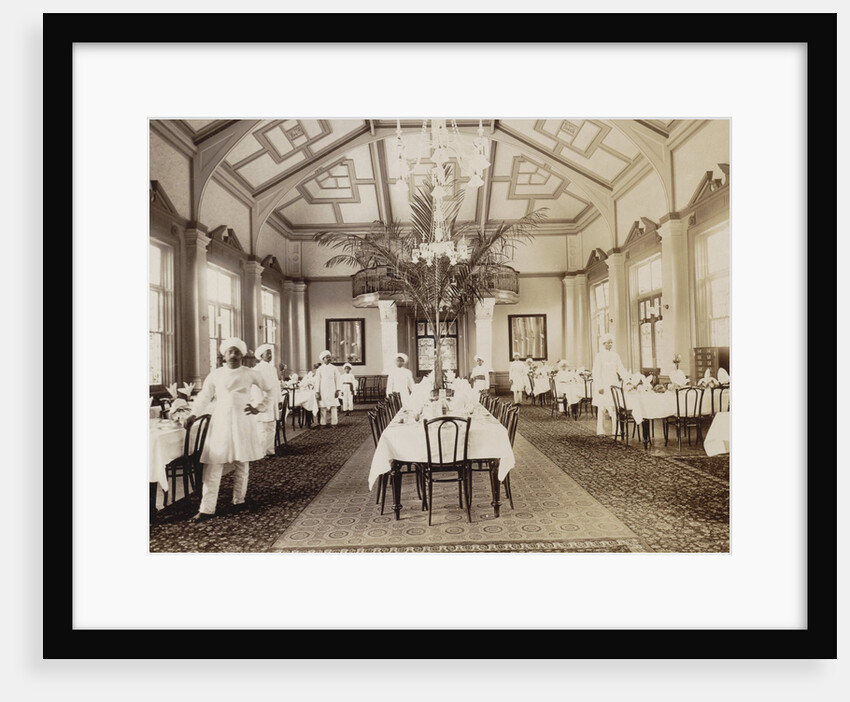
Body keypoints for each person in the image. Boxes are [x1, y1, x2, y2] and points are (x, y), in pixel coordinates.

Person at [185, 337, 272, 521]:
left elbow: (270, 390)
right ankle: (207, 508)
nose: (233, 355)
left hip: (243, 420)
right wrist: (193, 414)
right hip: (221, 421)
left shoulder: (250, 373)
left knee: (242, 462)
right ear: (223, 355)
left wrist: (259, 407)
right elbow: (204, 396)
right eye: (229, 352)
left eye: (237, 352)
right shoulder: (216, 374)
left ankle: (239, 500)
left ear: (242, 355)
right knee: (214, 463)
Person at [591, 333, 629, 436]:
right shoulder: (599, 356)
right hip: (603, 384)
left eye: (611, 342)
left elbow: (620, 368)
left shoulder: (615, 355)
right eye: (608, 343)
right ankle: (600, 430)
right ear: (604, 343)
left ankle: (615, 431)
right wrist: (599, 386)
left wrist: (627, 380)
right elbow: (596, 372)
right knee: (602, 408)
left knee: (614, 407)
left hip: (613, 383)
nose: (610, 344)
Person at [251, 343, 281, 456]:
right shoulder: (257, 369)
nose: (270, 355)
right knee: (262, 428)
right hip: (262, 401)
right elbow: (255, 389)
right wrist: (259, 405)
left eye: (271, 353)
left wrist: (278, 400)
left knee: (271, 427)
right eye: (267, 353)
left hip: (272, 402)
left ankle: (270, 450)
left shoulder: (272, 368)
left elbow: (276, 386)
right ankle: (261, 452)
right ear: (261, 355)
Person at [315, 350, 342, 427]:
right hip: (322, 389)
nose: (328, 358)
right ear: (323, 359)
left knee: (333, 406)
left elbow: (338, 379)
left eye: (329, 357)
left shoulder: (334, 368)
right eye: (327, 357)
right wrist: (317, 392)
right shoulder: (319, 369)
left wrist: (338, 390)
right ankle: (323, 423)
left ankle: (334, 423)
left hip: (332, 389)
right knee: (323, 407)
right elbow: (317, 381)